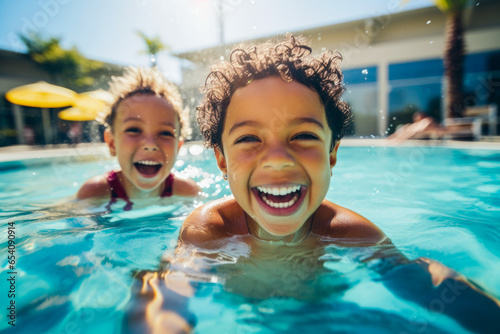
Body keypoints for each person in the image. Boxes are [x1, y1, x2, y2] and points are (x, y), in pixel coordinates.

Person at [127, 35, 500, 333]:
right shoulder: (207, 231)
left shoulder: (353, 234)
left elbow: (424, 282)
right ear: (221, 161)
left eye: (303, 135)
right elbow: (169, 293)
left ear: (332, 154)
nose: (277, 158)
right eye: (248, 139)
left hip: (327, 312)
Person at [77, 67, 200, 210]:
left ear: (178, 147)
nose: (150, 144)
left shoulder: (187, 192)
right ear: (112, 143)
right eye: (134, 130)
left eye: (165, 133)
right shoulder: (95, 193)